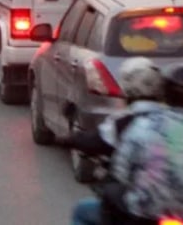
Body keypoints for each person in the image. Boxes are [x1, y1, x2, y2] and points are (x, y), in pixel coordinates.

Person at [104, 64, 183, 225]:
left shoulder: (144, 124)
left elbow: (121, 171)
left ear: (165, 93)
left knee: (106, 195)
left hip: (143, 214)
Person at [69, 57, 167, 225]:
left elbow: (95, 141)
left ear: (128, 87)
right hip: (178, 205)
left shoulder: (124, 122)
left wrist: (71, 139)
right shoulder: (174, 120)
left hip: (139, 208)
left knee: (82, 211)